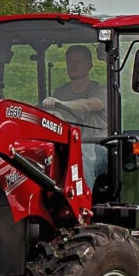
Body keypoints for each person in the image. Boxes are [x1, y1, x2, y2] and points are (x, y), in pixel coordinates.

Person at [49, 43, 109, 186]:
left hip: (97, 146)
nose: (73, 65)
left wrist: (60, 103)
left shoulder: (101, 91)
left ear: (90, 65)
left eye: (78, 61)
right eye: (69, 62)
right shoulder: (61, 92)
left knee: (81, 160)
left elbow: (87, 105)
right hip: (68, 145)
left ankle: (81, 204)